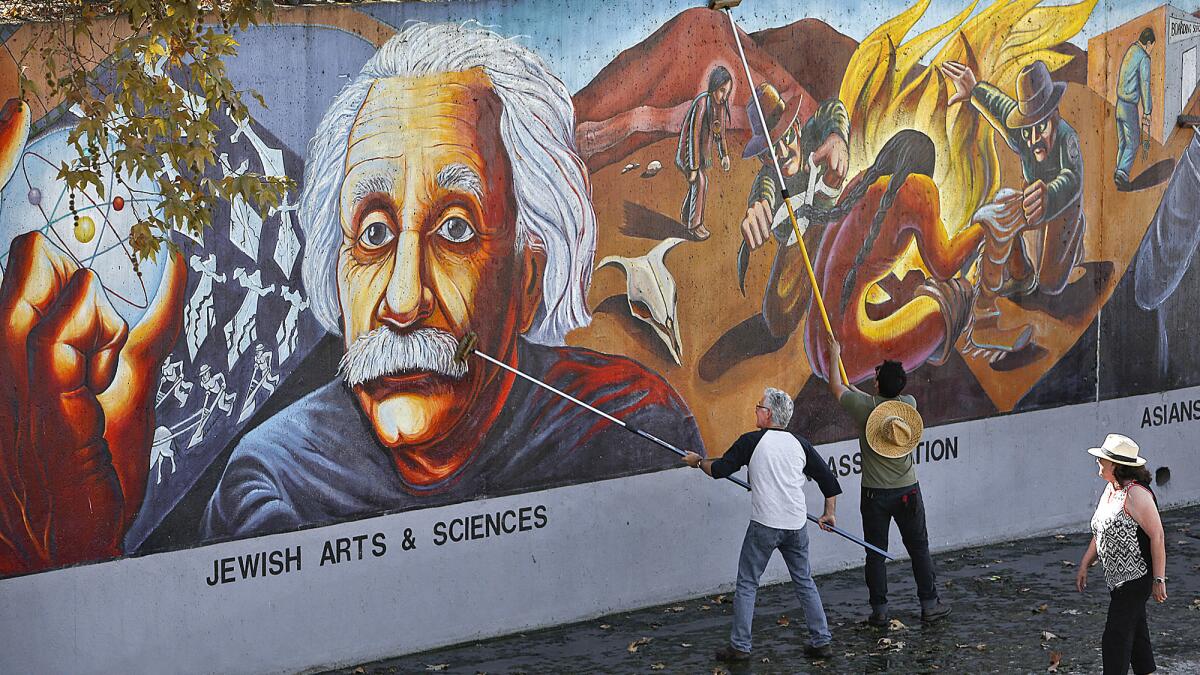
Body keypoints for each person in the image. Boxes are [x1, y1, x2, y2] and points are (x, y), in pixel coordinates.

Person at [190, 22, 703, 538]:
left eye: (455, 228)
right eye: (373, 233)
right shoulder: (273, 482)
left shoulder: (627, 426)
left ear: (527, 278)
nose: (403, 299)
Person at [682, 387, 842, 662]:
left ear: (767, 414)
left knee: (747, 583)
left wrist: (698, 462)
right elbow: (829, 480)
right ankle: (821, 640)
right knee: (804, 581)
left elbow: (719, 470)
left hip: (765, 524)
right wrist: (829, 513)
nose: (755, 410)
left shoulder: (751, 442)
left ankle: (740, 646)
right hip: (795, 525)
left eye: (758, 407)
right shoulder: (800, 443)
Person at [824, 336, 952, 626]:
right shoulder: (909, 404)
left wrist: (835, 354)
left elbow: (836, 387)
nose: (874, 382)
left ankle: (880, 611)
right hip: (907, 491)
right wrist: (859, 393)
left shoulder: (865, 408)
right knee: (919, 548)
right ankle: (929, 604)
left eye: (876, 379)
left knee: (875, 553)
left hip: (874, 496)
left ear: (879, 386)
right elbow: (872, 401)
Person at [941, 59, 1086, 298]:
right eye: (1027, 130)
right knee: (1005, 208)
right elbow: (1001, 106)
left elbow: (1073, 178)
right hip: (1031, 200)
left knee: (1050, 285)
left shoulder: (1066, 137)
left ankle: (1074, 229)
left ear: (1054, 116)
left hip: (1063, 205)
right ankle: (1022, 274)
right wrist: (974, 90)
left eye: (1040, 128)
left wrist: (1049, 195)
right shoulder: (1023, 132)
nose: (1032, 140)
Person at [737, 82, 849, 340]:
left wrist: (837, 137)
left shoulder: (814, 133)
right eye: (769, 153)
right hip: (799, 241)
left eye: (785, 138)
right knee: (776, 317)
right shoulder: (769, 177)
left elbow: (833, 110)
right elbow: (763, 191)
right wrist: (759, 207)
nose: (782, 154)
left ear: (796, 126)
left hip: (838, 219)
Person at [1077, 434, 1167, 675]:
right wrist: (1086, 562)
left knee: (1115, 637)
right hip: (1116, 580)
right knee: (1137, 638)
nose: (1098, 463)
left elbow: (1157, 536)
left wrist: (1159, 579)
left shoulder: (1137, 495)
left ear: (1116, 466)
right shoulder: (1110, 490)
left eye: (1102, 460)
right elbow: (1101, 530)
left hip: (1136, 578)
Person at [675, 66, 732, 240]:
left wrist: (724, 155)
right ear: (714, 86)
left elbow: (720, 133)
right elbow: (693, 135)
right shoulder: (702, 103)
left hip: (699, 156)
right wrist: (692, 167)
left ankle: (687, 216)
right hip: (689, 154)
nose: (724, 96)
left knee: (697, 183)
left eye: (727, 92)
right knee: (700, 181)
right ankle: (695, 225)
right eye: (722, 91)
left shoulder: (720, 106)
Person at [1114, 29, 1155, 191]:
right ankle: (1122, 174)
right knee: (1134, 143)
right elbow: (1145, 84)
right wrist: (1147, 111)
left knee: (1123, 143)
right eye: (1152, 47)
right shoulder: (1144, 57)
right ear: (1149, 43)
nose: (1151, 50)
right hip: (1129, 106)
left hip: (1119, 105)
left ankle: (1118, 170)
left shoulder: (1131, 50)